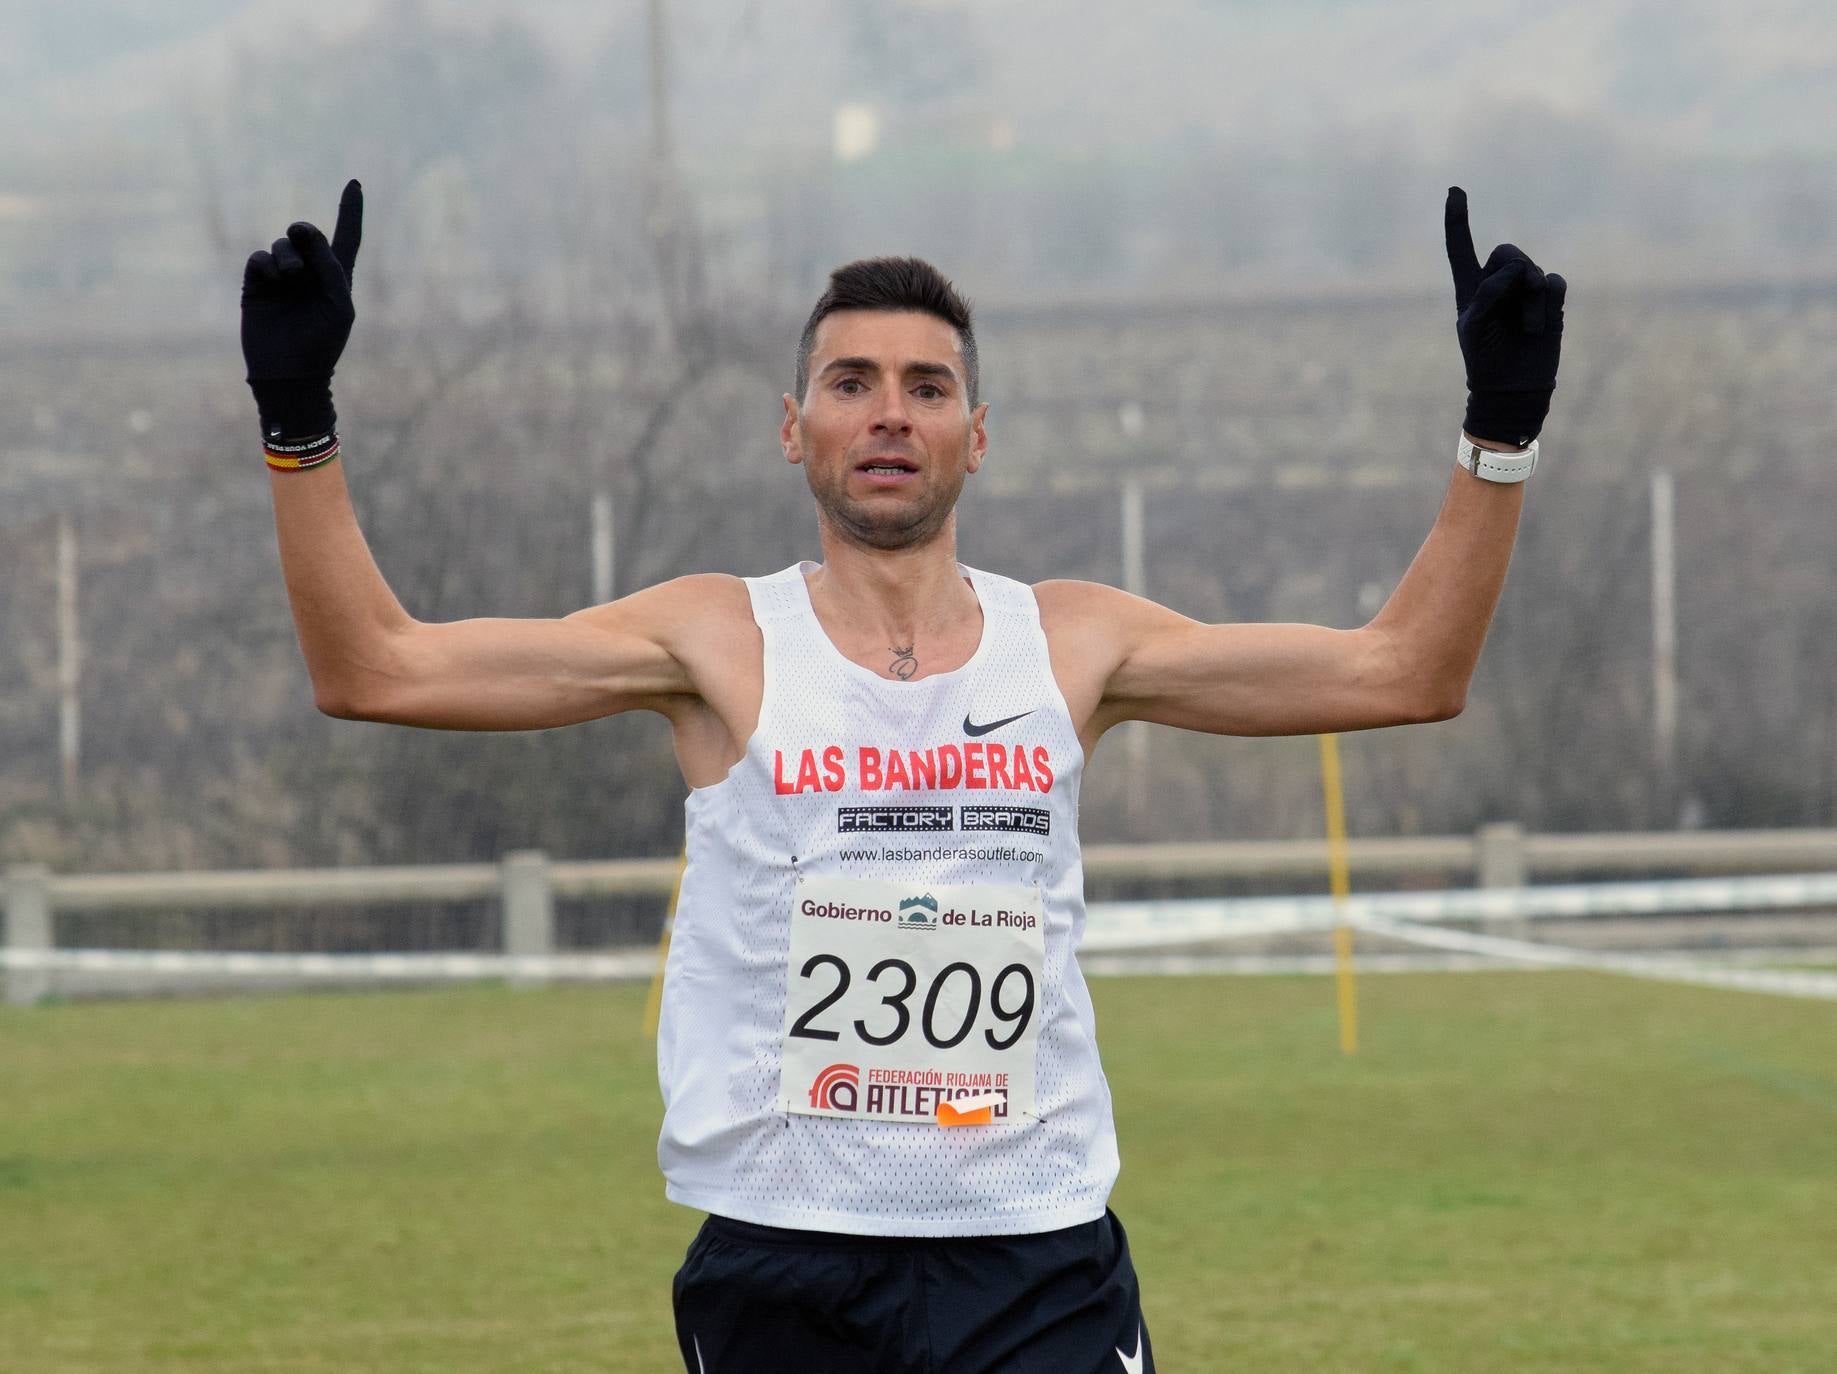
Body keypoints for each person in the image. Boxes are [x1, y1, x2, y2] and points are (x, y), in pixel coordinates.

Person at [240, 181, 1564, 1373]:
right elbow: (378, 669)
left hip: (1033, 1257)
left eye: (926, 387)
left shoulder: (1077, 640)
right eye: (851, 381)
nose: (888, 412)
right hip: (784, 1258)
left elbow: (1404, 670)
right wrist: (299, 424)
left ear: (974, 434)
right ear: (792, 426)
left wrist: (1496, 432)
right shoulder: (709, 638)